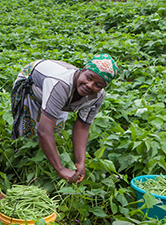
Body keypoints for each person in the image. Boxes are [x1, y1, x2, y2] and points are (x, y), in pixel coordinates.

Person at [11, 54, 118, 183]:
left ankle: (47, 163)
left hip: (60, 94)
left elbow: (83, 126)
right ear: (82, 70)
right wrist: (61, 169)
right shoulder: (61, 84)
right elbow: (44, 131)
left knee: (55, 133)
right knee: (28, 133)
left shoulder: (98, 96)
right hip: (33, 84)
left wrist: (80, 161)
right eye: (88, 78)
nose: (90, 85)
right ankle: (19, 170)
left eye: (98, 84)